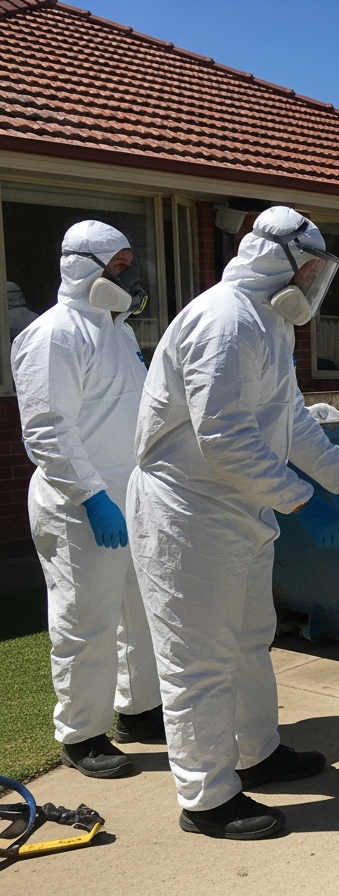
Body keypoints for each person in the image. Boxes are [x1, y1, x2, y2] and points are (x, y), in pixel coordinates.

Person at [127, 207, 339, 840]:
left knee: (250, 638)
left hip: (235, 507)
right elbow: (224, 437)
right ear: (278, 261)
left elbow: (292, 421)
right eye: (309, 270)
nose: (312, 283)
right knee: (199, 656)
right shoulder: (225, 321)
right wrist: (303, 501)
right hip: (188, 511)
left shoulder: (269, 323)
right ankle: (206, 797)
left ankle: (256, 752)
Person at [12, 221, 163, 779]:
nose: (129, 276)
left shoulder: (116, 330)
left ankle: (138, 711)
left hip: (129, 497)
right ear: (83, 266)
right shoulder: (53, 334)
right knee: (85, 621)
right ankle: (80, 736)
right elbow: (47, 429)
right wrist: (92, 497)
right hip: (78, 505)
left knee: (138, 614)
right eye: (119, 266)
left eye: (129, 265)